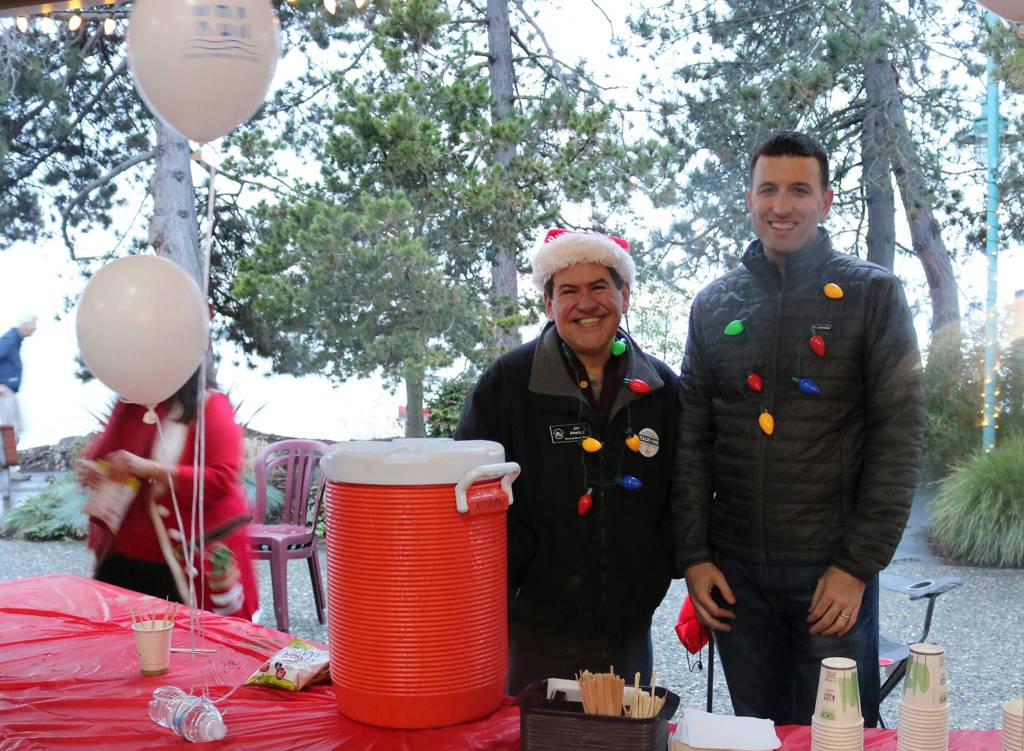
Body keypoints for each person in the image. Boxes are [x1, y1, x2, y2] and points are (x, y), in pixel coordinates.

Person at [672, 131, 924, 726]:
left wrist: (857, 565)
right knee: (756, 733)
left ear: (826, 201)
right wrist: (695, 556)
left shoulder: (873, 296)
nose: (781, 206)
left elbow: (898, 439)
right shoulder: (713, 305)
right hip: (735, 581)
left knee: (837, 735)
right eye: (768, 190)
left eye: (798, 190)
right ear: (750, 198)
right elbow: (691, 441)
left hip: (829, 576)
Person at [455, 228, 679, 694]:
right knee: (537, 735)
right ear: (548, 305)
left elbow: (685, 486)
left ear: (625, 295)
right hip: (536, 623)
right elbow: (471, 486)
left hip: (629, 623)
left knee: (622, 736)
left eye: (599, 286)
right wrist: (520, 567)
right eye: (568, 291)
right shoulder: (508, 383)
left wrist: (660, 560)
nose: (586, 303)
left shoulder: (661, 388)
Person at [77, 367, 259, 620]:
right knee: (118, 642)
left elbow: (222, 477)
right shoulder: (130, 403)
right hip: (123, 554)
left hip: (186, 556)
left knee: (191, 648)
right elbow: (104, 455)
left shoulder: (210, 404)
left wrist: (148, 468)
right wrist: (94, 470)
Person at [0, 314, 37, 480]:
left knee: (15, 428)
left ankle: (11, 470)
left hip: (9, 391)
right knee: (9, 429)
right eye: (33, 324)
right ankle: (10, 471)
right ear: (25, 324)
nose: (35, 328)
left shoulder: (15, 341)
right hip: (4, 390)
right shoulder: (9, 340)